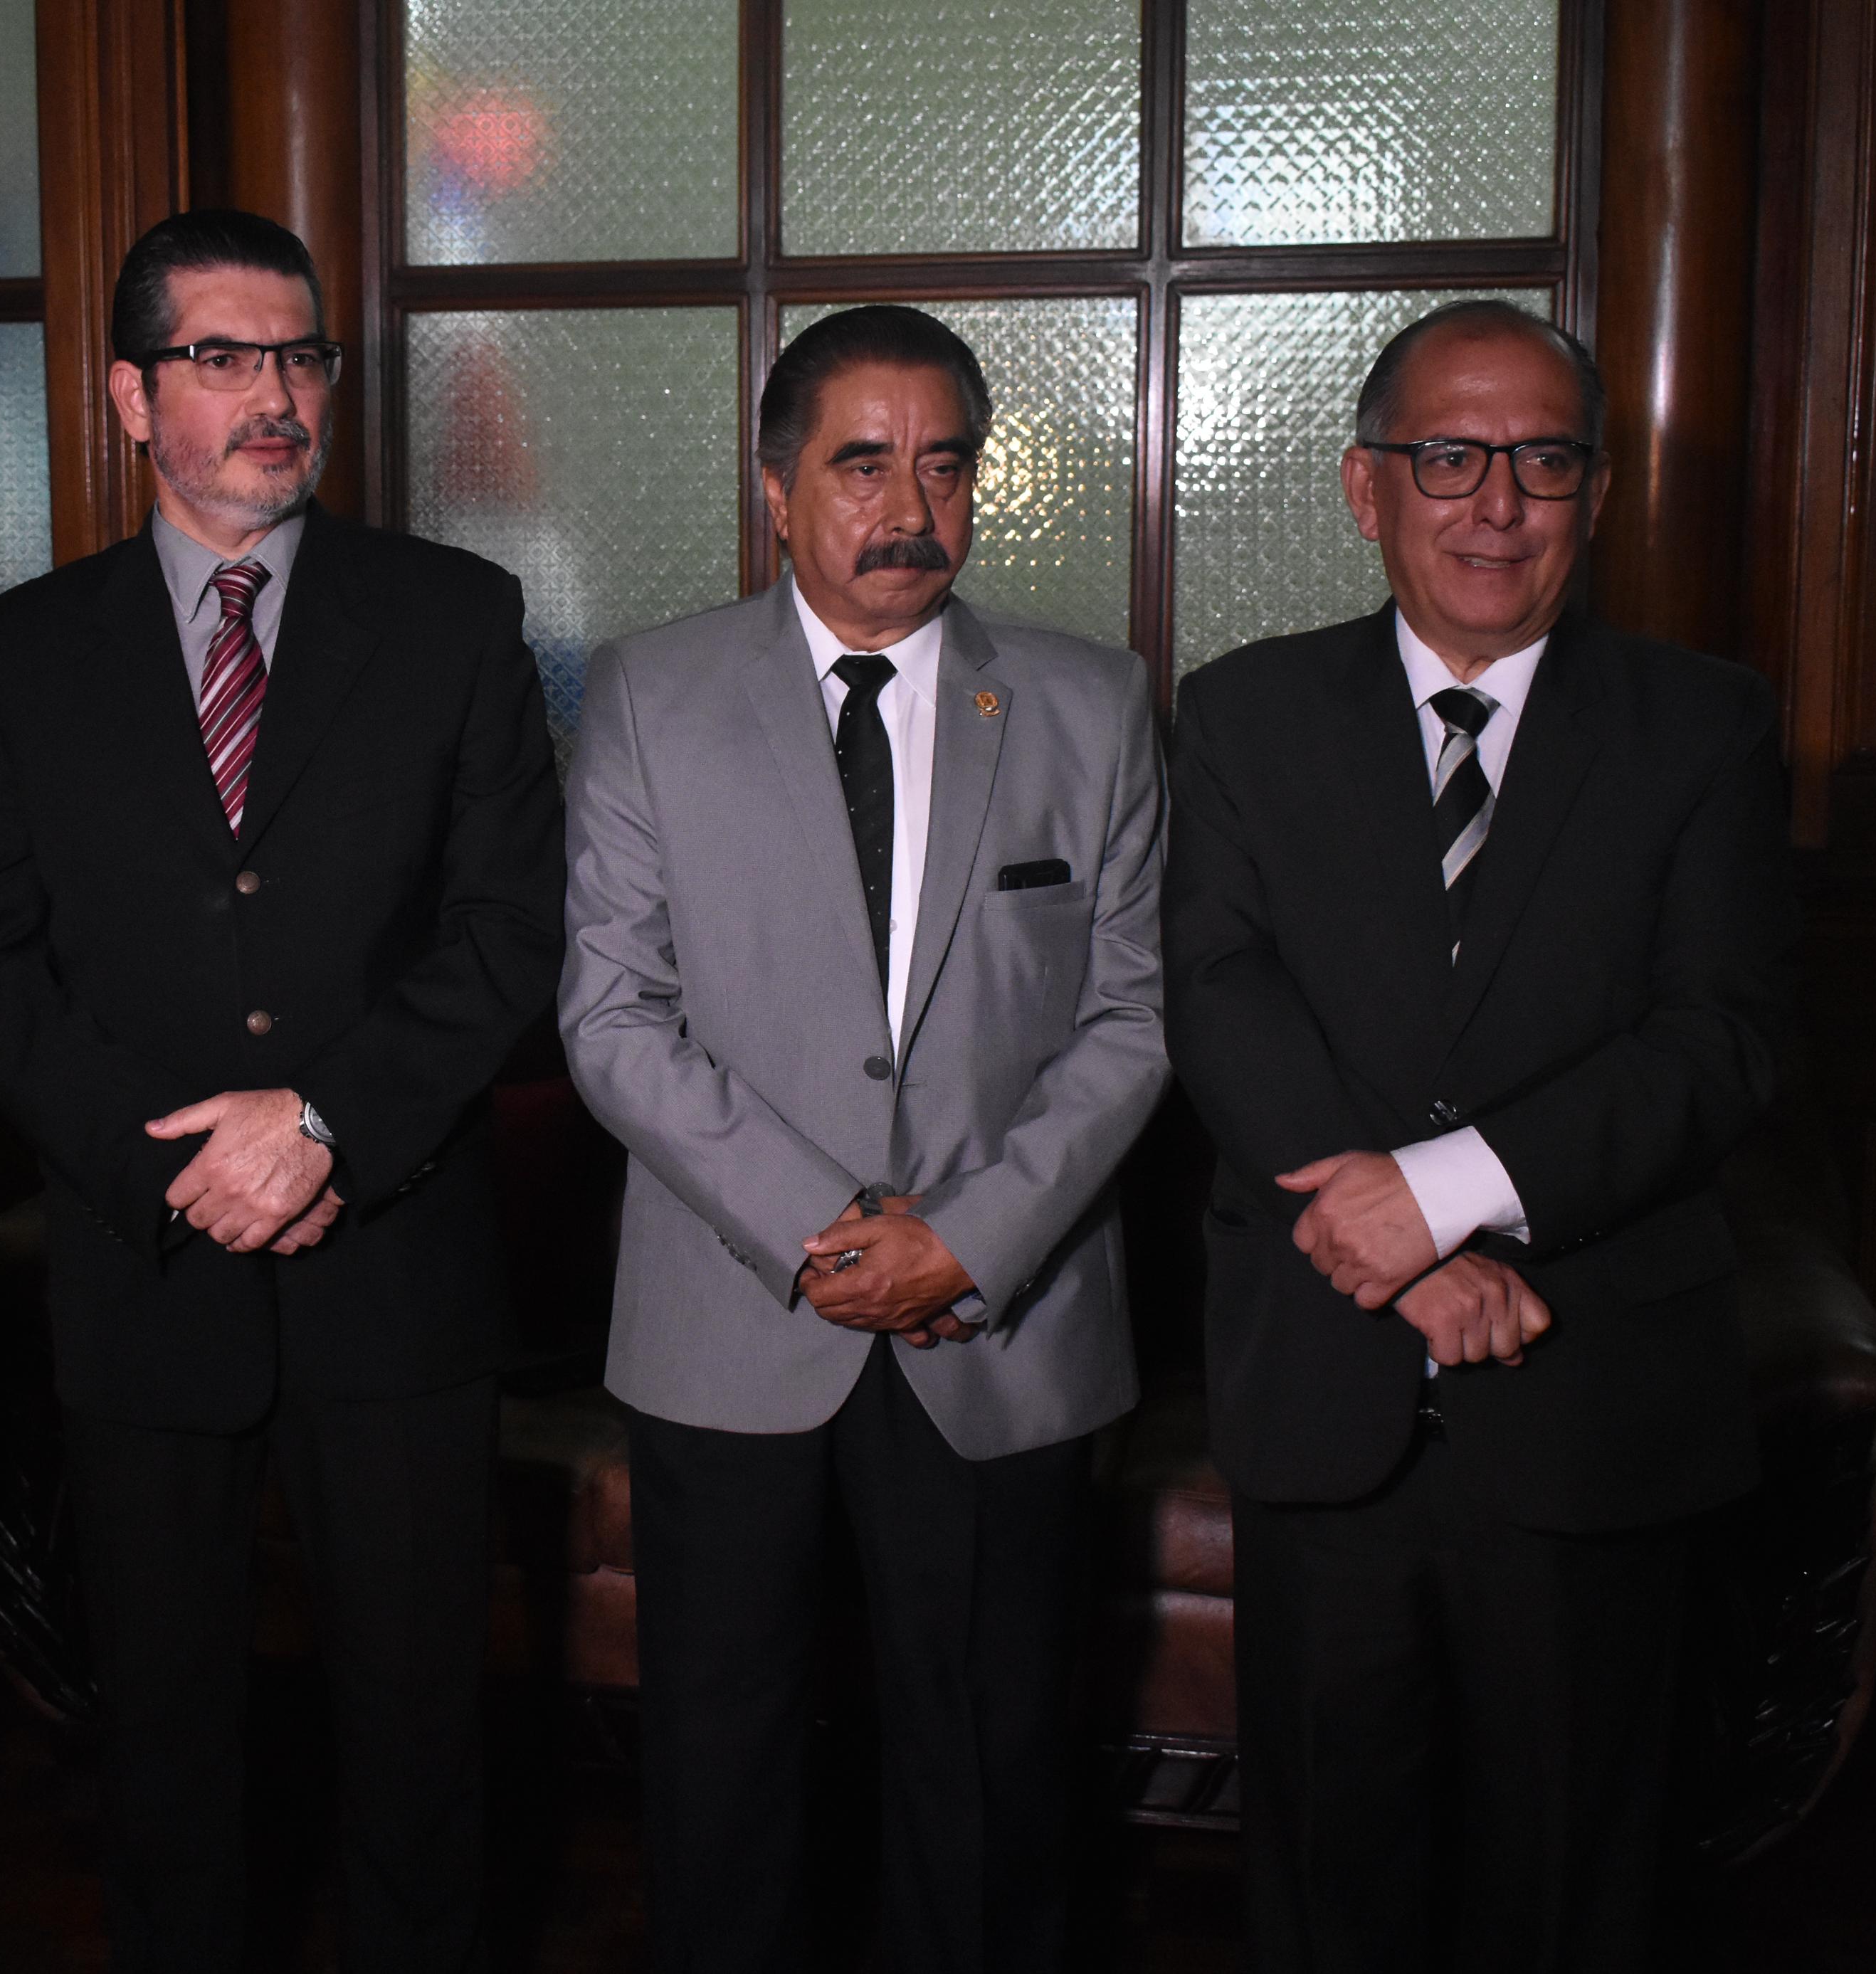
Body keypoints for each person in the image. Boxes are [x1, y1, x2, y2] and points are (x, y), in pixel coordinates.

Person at [0, 209, 564, 1973]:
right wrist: (178, 1167)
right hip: (145, 1276)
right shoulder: (17, 654)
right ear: (132, 393)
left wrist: (322, 1122)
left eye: (300, 356)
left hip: (398, 1265)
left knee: (423, 1742)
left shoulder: (453, 618)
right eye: (222, 358)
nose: (274, 395)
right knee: (167, 1750)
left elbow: (514, 932)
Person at [1164, 299, 1798, 1970]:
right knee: (1324, 1871)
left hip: (1595, 1406)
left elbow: (1719, 1038)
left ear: (1594, 494)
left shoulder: (1704, 726)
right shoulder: (1244, 718)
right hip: (1328, 1386)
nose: (1493, 503)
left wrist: (1442, 1201)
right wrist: (1407, 1269)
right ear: (1367, 489)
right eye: (1447, 456)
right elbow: (1219, 997)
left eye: (1541, 459)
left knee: (1577, 1879)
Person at [559, 305, 1170, 1973]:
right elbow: (612, 1014)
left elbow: (1136, 1016)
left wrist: (966, 1237)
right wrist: (831, 1227)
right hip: (734, 1323)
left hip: (1002, 1321)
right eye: (860, 461)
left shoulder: (1092, 706)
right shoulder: (648, 696)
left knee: (988, 1782)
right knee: (724, 1778)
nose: (909, 502)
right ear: (775, 489)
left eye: (945, 462)